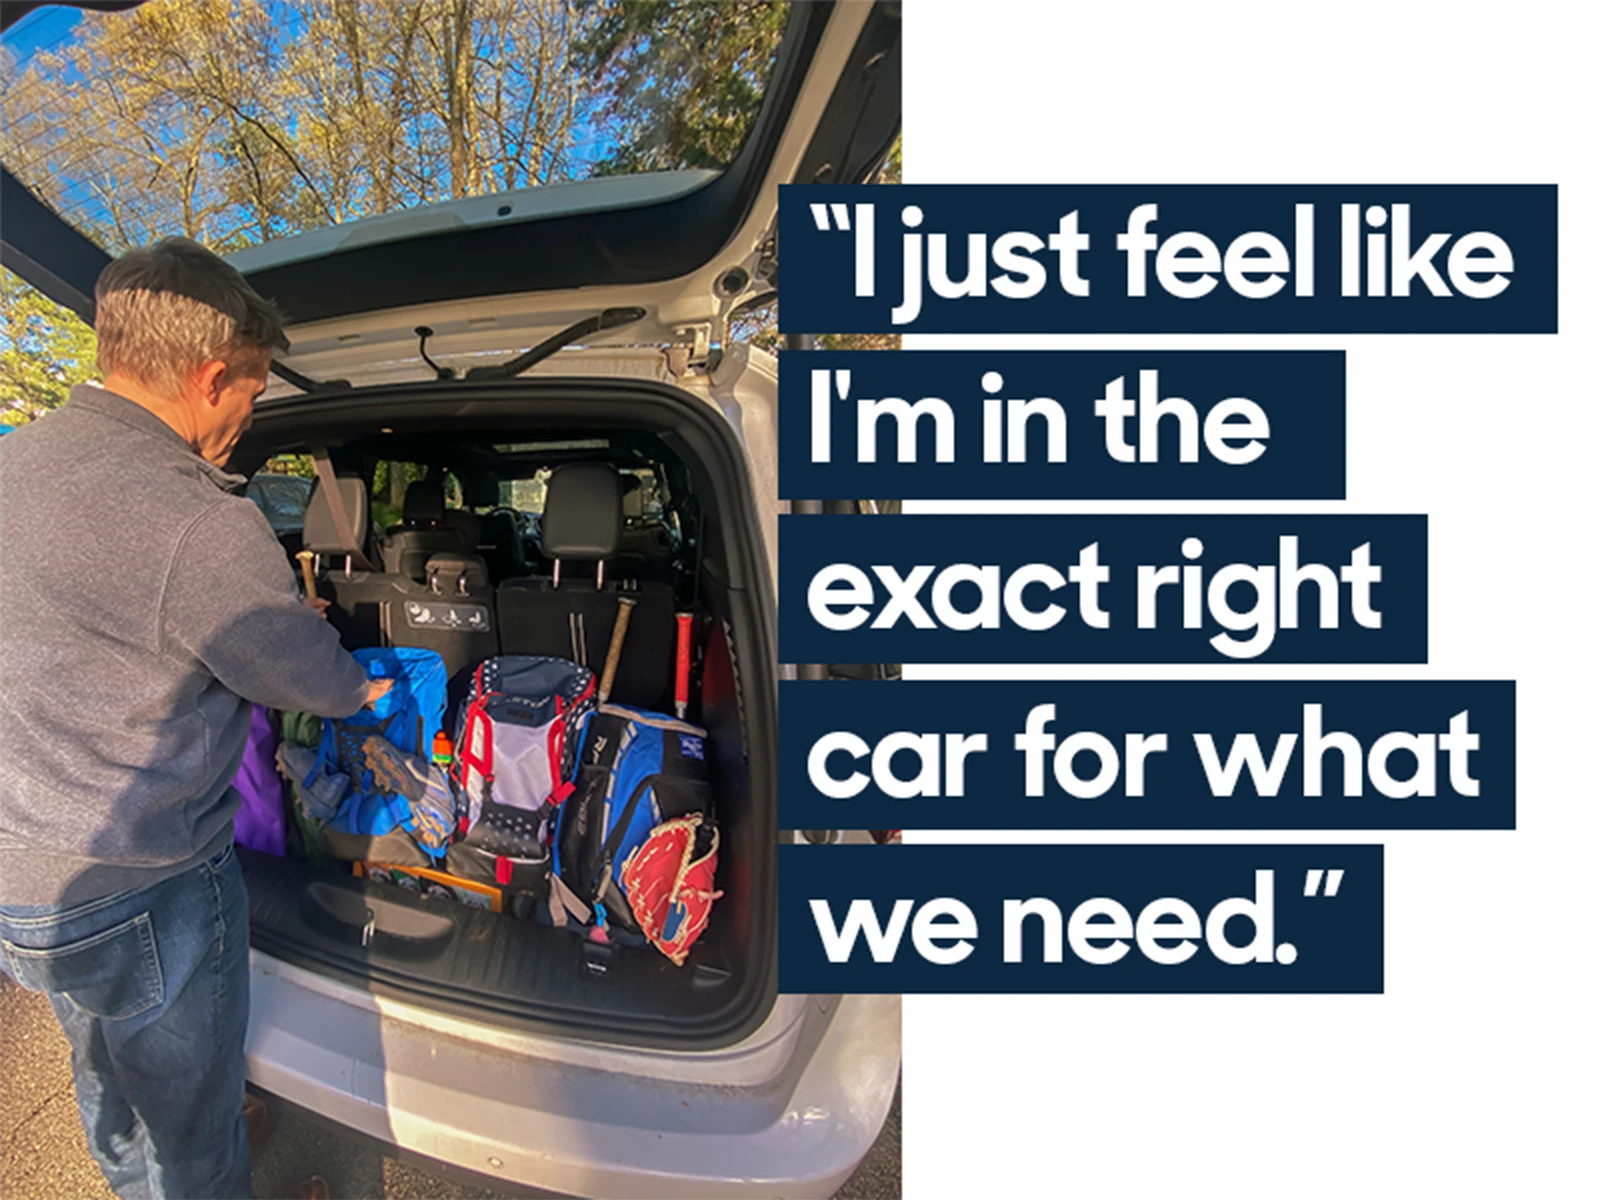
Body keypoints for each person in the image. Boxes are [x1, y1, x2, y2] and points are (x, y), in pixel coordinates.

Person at [0, 237, 386, 1199]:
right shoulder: (198, 518)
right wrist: (359, 689)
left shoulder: (15, 467)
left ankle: (132, 1178)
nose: (247, 418)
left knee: (104, 1078)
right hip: (146, 885)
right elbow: (302, 677)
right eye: (252, 395)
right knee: (197, 1136)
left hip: (21, 873)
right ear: (211, 375)